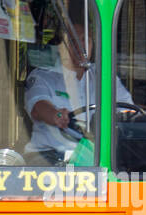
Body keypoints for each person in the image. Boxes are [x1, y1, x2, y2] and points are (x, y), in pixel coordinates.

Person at [25, 24, 133, 164]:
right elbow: (39, 106)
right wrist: (57, 115)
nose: (81, 46)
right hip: (50, 157)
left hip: (98, 158)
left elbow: (127, 110)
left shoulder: (104, 76)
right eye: (72, 41)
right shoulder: (43, 76)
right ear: (60, 46)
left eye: (85, 40)